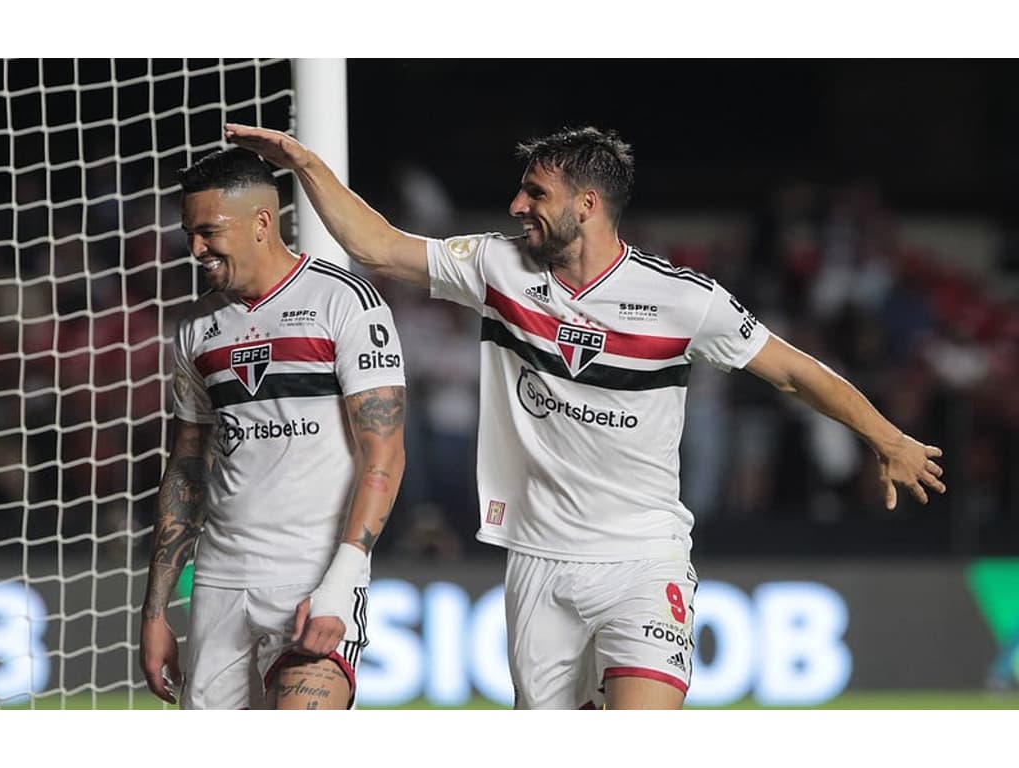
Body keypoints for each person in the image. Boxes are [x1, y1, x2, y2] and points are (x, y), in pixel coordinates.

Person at [224, 123, 946, 710]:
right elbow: (376, 244)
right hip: (537, 563)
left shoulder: (684, 299)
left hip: (642, 560)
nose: (516, 206)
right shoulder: (497, 268)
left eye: (535, 192)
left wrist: (889, 439)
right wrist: (306, 165)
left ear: (588, 205)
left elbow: (791, 369)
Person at [139, 147, 406, 710]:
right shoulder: (196, 326)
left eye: (209, 231)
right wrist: (157, 610)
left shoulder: (344, 302)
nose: (195, 249)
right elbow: (187, 465)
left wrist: (341, 583)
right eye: (189, 233)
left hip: (311, 579)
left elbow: (384, 454)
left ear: (263, 222)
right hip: (217, 584)